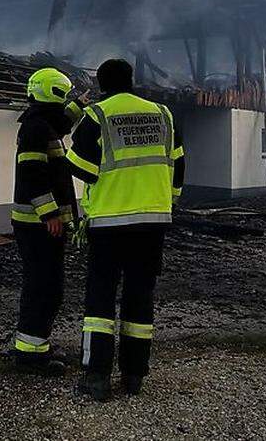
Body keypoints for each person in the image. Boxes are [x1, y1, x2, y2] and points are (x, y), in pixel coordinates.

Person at [65, 59, 184, 401]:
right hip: (153, 222)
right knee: (140, 296)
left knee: (101, 299)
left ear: (101, 84)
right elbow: (178, 163)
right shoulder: (164, 114)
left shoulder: (97, 116)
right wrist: (167, 200)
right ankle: (134, 374)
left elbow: (82, 170)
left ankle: (97, 376)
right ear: (131, 80)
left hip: (109, 223)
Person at [9, 67, 85, 373]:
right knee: (45, 287)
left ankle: (34, 344)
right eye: (64, 95)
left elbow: (63, 123)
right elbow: (32, 176)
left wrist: (81, 103)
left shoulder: (42, 125)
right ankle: (31, 355)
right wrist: (50, 213)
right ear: (53, 94)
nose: (66, 101)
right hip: (38, 225)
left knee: (45, 286)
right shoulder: (36, 129)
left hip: (37, 225)